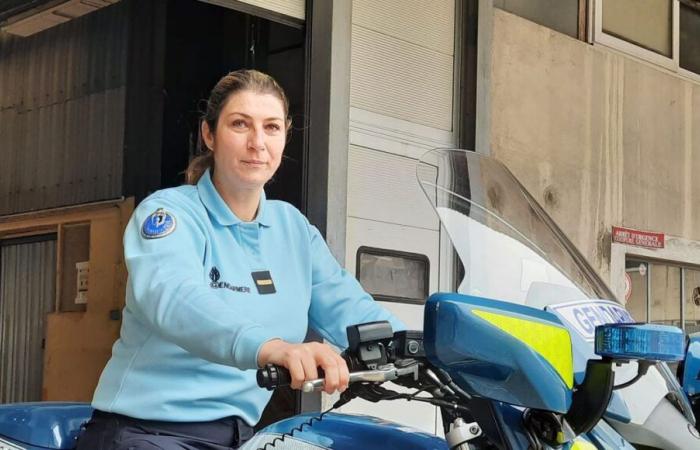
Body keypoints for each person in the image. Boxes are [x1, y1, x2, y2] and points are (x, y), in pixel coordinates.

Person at [76, 69, 404, 450]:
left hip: (241, 437)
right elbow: (174, 297)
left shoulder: (292, 228)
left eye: (271, 127)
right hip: (145, 433)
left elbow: (350, 305)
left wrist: (436, 348)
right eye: (240, 124)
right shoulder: (171, 214)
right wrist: (271, 347)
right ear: (209, 135)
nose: (257, 143)